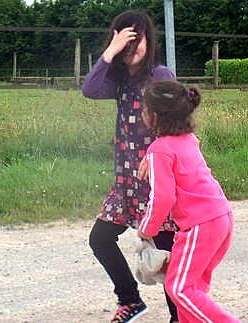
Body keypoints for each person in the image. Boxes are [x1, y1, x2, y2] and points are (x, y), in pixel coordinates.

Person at [82, 10, 179, 323]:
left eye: (138, 39)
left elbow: (177, 124)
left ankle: (181, 316)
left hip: (157, 187)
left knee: (165, 256)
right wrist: (110, 52)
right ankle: (130, 300)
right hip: (125, 185)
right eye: (126, 40)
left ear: (149, 41)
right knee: (100, 238)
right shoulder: (119, 81)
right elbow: (90, 89)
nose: (132, 47)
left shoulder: (160, 75)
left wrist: (160, 160)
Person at [138, 80, 240, 323]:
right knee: (192, 287)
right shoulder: (187, 139)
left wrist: (146, 230)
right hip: (220, 218)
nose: (142, 113)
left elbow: (163, 198)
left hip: (200, 225)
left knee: (178, 288)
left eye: (145, 108)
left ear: (155, 116)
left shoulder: (159, 149)